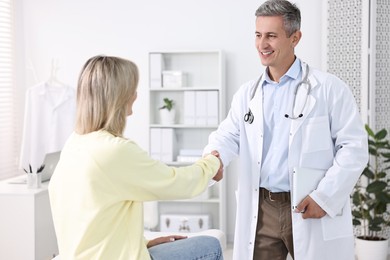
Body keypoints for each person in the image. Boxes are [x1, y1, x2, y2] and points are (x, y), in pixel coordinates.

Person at [203, 0, 368, 259]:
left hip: (308, 204)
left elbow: (354, 148)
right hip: (262, 209)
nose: (262, 44)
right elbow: (229, 134)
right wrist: (215, 155)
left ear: (295, 37)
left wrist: (325, 197)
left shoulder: (329, 89)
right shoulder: (248, 93)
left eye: (271, 36)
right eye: (258, 35)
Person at [48, 55, 224, 260]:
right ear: (119, 96)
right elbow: (175, 182)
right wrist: (212, 162)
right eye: (132, 88)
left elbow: (91, 221)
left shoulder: (75, 143)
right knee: (211, 246)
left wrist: (145, 242)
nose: (136, 95)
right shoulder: (113, 151)